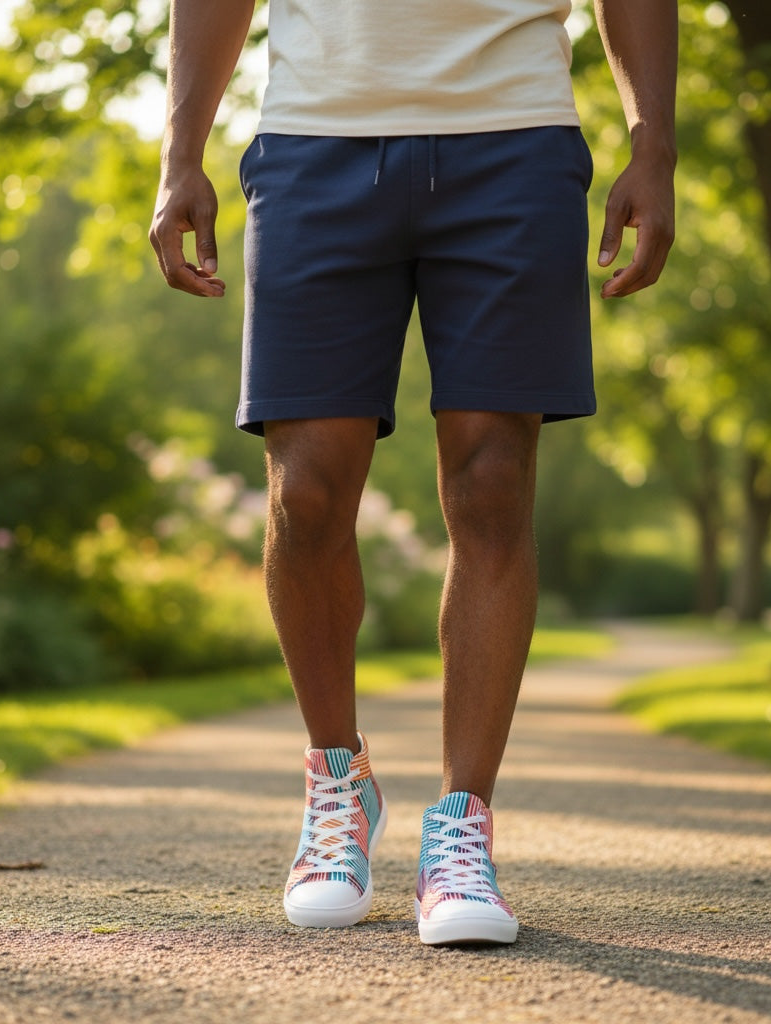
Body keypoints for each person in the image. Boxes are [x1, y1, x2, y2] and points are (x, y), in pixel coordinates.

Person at [151, 0, 676, 946]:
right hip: (316, 140)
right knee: (305, 494)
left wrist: (655, 143)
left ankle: (463, 825)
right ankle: (337, 784)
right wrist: (180, 151)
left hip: (514, 138)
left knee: (491, 481)